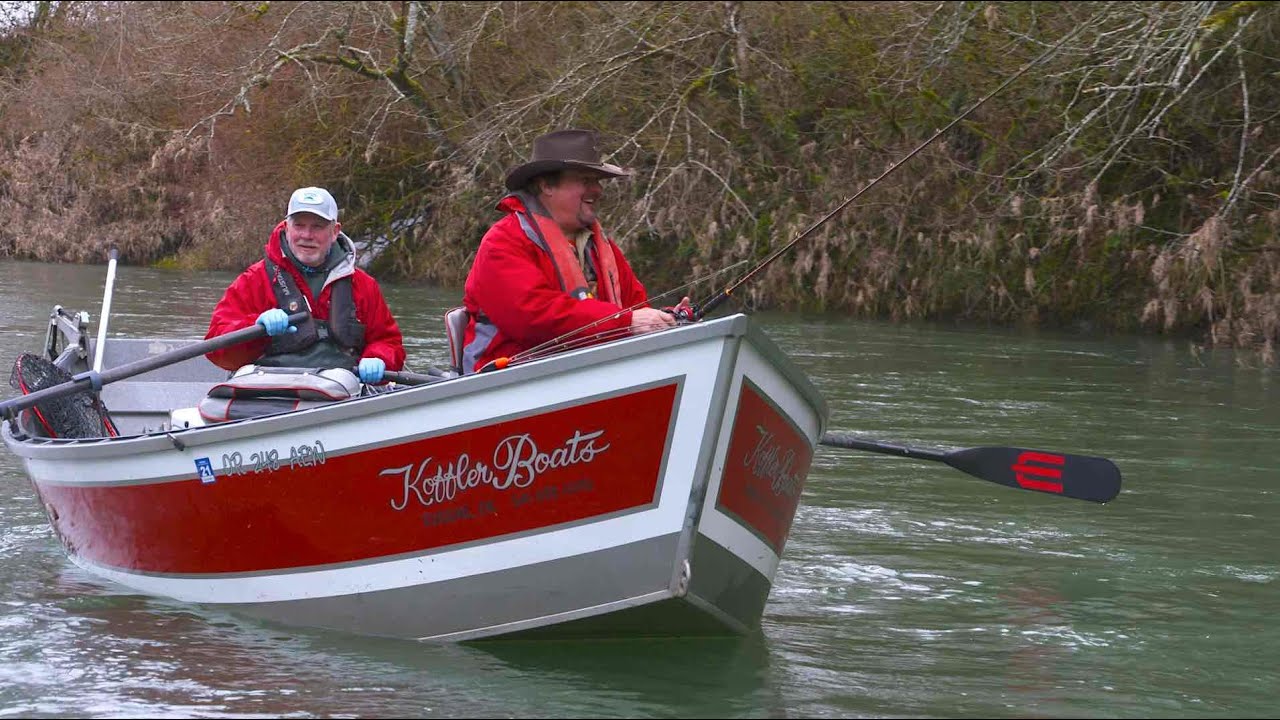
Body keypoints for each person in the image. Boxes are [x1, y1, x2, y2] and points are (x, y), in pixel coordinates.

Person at [460, 128, 685, 373]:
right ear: (546, 186)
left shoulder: (602, 248)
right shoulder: (503, 242)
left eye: (597, 181)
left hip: (585, 374)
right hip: (508, 381)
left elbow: (637, 308)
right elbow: (534, 318)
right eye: (585, 180)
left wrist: (667, 318)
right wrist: (626, 322)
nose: (597, 190)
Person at [204, 186, 406, 383]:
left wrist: (378, 358)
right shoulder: (255, 279)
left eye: (317, 226)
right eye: (299, 225)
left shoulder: (363, 285)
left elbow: (388, 342)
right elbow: (217, 350)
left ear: (335, 231)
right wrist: (255, 326)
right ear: (286, 227)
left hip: (342, 394)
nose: (307, 235)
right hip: (268, 391)